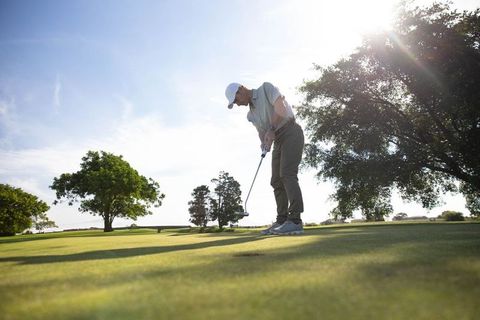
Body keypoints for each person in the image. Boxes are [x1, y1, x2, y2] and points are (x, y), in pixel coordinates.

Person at [225, 82, 304, 235]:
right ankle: (282, 220)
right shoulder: (250, 115)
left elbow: (280, 108)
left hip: (291, 131)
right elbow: (262, 132)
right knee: (275, 180)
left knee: (287, 174)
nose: (237, 104)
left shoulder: (265, 89)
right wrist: (264, 143)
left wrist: (271, 130)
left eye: (236, 100)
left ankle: (295, 220)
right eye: (234, 103)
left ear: (241, 89)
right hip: (278, 140)